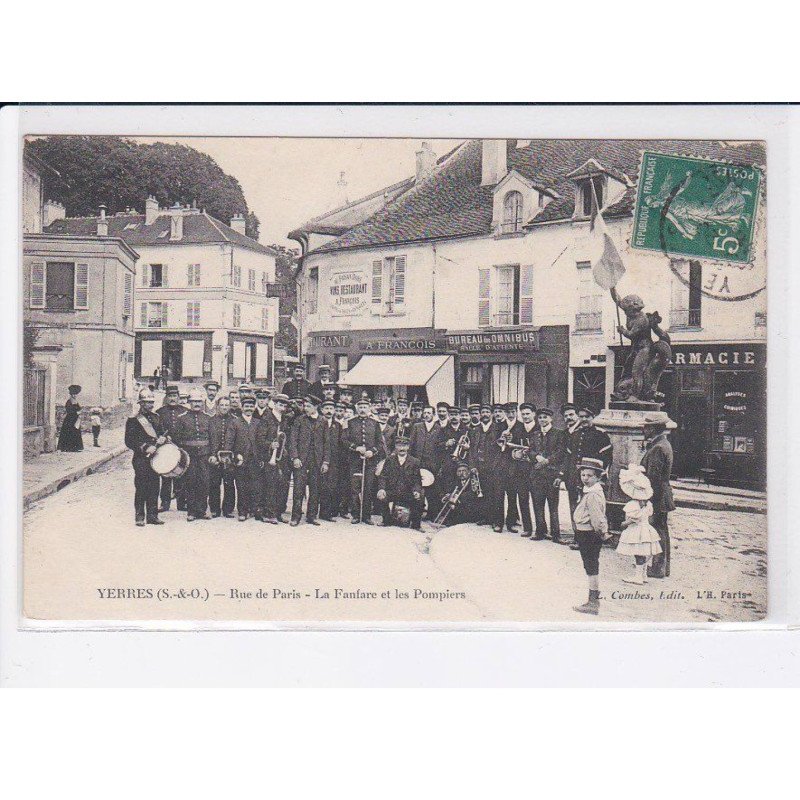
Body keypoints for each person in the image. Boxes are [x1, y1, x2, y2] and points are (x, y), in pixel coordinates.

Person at [572, 457, 610, 615]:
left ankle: (593, 602)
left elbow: (597, 518)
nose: (585, 478)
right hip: (585, 532)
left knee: (591, 567)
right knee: (590, 566)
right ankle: (593, 600)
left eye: (589, 476)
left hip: (588, 533)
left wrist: (602, 532)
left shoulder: (593, 494)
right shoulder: (591, 491)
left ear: (598, 477)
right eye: (583, 475)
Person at [124, 388, 166, 526]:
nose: (150, 405)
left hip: (156, 457)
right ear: (140, 403)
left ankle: (153, 515)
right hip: (141, 458)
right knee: (141, 486)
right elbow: (129, 441)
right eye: (147, 402)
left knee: (155, 486)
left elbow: (161, 434)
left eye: (151, 402)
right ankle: (140, 516)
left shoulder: (156, 418)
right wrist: (146, 447)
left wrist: (162, 439)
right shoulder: (134, 420)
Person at [288, 395, 330, 526]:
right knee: (298, 490)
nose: (305, 408)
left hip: (316, 461)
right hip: (301, 460)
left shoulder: (323, 421)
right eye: (305, 406)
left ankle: (312, 516)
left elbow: (327, 443)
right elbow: (293, 440)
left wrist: (325, 462)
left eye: (308, 406)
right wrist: (295, 457)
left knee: (315, 490)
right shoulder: (299, 420)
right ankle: (295, 517)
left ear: (316, 407)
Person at [641, 416, 676, 578]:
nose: (644, 430)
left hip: (657, 496)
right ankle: (663, 568)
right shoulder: (663, 444)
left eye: (646, 427)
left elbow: (652, 478)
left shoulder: (657, 448)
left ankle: (657, 568)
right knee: (662, 530)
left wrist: (646, 498)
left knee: (657, 531)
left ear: (654, 429)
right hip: (662, 495)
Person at [617, 464, 663, 585]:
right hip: (646, 529)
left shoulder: (632, 504)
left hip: (636, 531)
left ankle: (638, 576)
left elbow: (633, 519)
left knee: (638, 554)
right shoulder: (648, 504)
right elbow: (648, 516)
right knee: (644, 552)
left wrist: (623, 523)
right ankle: (643, 575)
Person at [171, 387, 212, 521]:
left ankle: (202, 510)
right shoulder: (182, 418)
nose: (197, 404)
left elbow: (212, 438)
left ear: (202, 403)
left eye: (199, 402)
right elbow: (177, 438)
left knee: (204, 482)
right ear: (189, 402)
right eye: (194, 401)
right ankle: (192, 511)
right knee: (191, 482)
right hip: (190, 456)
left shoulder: (207, 418)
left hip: (205, 455)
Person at [342, 395, 382, 524]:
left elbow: (380, 443)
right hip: (354, 461)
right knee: (355, 488)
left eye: (365, 407)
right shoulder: (350, 422)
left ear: (369, 408)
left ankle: (366, 516)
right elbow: (344, 440)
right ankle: (355, 515)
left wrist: (372, 452)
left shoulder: (375, 423)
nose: (363, 409)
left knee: (368, 488)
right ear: (356, 408)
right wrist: (356, 448)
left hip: (370, 462)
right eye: (360, 407)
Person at [530, 407, 567, 542]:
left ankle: (556, 534)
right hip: (537, 475)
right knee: (537, 504)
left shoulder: (559, 434)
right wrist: (536, 457)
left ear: (551, 419)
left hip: (551, 475)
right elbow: (530, 450)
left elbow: (561, 452)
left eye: (545, 417)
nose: (542, 420)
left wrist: (547, 461)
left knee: (553, 506)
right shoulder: (535, 434)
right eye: (540, 417)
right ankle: (540, 531)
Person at [255, 392, 289, 524]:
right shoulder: (266, 418)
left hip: (281, 457)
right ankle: (268, 514)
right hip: (269, 457)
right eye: (280, 404)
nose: (283, 407)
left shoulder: (284, 418)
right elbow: (260, 439)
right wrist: (270, 444)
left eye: (284, 405)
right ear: (274, 404)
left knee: (281, 485)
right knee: (270, 486)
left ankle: (278, 512)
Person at [468, 403, 502, 530]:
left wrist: (496, 465)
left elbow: (501, 449)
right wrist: (472, 465)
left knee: (496, 494)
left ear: (491, 414)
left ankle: (497, 522)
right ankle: (485, 517)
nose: (485, 414)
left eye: (488, 412)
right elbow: (471, 449)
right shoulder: (474, 430)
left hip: (494, 466)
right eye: (483, 412)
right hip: (479, 466)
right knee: (482, 492)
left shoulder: (498, 428)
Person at [377, 436, 423, 529]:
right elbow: (383, 476)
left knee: (420, 498)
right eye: (399, 445)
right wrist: (381, 489)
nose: (402, 448)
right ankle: (386, 520)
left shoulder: (415, 461)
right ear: (395, 447)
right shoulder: (389, 460)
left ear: (408, 447)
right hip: (393, 491)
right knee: (382, 496)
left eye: (404, 446)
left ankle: (416, 525)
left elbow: (417, 480)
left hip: (408, 492)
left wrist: (416, 491)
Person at [409, 405, 445, 519]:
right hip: (418, 462)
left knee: (432, 489)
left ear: (433, 415)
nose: (426, 415)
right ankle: (417, 513)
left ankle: (431, 514)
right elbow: (411, 444)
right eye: (425, 413)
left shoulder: (439, 428)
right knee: (417, 487)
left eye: (429, 413)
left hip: (432, 463)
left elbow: (440, 447)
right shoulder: (417, 426)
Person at [156, 385, 187, 512]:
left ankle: (182, 503)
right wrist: (162, 437)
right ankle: (165, 502)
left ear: (179, 397)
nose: (172, 398)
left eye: (175, 396)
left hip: (181, 448)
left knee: (181, 474)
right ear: (166, 397)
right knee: (166, 476)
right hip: (166, 449)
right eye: (170, 396)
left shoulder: (184, 411)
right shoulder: (159, 412)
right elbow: (156, 430)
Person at [508, 402, 537, 537]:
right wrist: (516, 454)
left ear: (534, 414)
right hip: (520, 470)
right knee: (523, 500)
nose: (525, 416)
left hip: (536, 470)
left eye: (528, 414)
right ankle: (528, 528)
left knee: (538, 501)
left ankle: (541, 529)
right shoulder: (517, 429)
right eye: (523, 414)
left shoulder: (539, 428)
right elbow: (511, 450)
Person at [208, 396, 240, 518]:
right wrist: (212, 455)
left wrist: (233, 456)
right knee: (214, 483)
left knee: (229, 484)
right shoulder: (211, 420)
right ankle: (214, 509)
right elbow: (209, 440)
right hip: (215, 457)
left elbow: (238, 440)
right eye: (222, 405)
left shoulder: (235, 420)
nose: (224, 407)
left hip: (229, 459)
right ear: (218, 406)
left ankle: (228, 509)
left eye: (227, 405)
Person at [233, 395, 262, 521]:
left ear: (254, 407)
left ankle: (254, 509)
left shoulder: (258, 422)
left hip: (254, 459)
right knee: (241, 486)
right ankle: (242, 512)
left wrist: (261, 457)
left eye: (251, 406)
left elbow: (261, 441)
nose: (249, 408)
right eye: (246, 406)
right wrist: (234, 455)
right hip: (241, 459)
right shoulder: (235, 422)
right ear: (242, 407)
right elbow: (230, 440)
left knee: (255, 486)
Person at [319, 398, 342, 521]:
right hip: (318, 458)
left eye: (331, 409)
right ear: (322, 410)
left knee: (330, 486)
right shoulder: (317, 422)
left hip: (334, 461)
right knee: (318, 486)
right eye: (326, 408)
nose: (329, 411)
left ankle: (326, 513)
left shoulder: (338, 425)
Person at [439, 461, 481, 526]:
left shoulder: (473, 480)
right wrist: (447, 496)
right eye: (459, 471)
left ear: (468, 472)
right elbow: (449, 490)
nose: (461, 473)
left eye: (464, 471)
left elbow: (473, 493)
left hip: (469, 505)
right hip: (459, 503)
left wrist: (458, 497)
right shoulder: (456, 481)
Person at [57, 384, 84, 452]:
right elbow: (69, 411)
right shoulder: (69, 402)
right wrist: (76, 413)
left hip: (75, 419)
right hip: (69, 420)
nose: (74, 395)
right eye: (73, 394)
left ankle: (75, 448)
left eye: (75, 394)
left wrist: (80, 411)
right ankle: (67, 447)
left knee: (75, 432)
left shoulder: (76, 401)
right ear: (71, 394)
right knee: (69, 432)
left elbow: (79, 408)